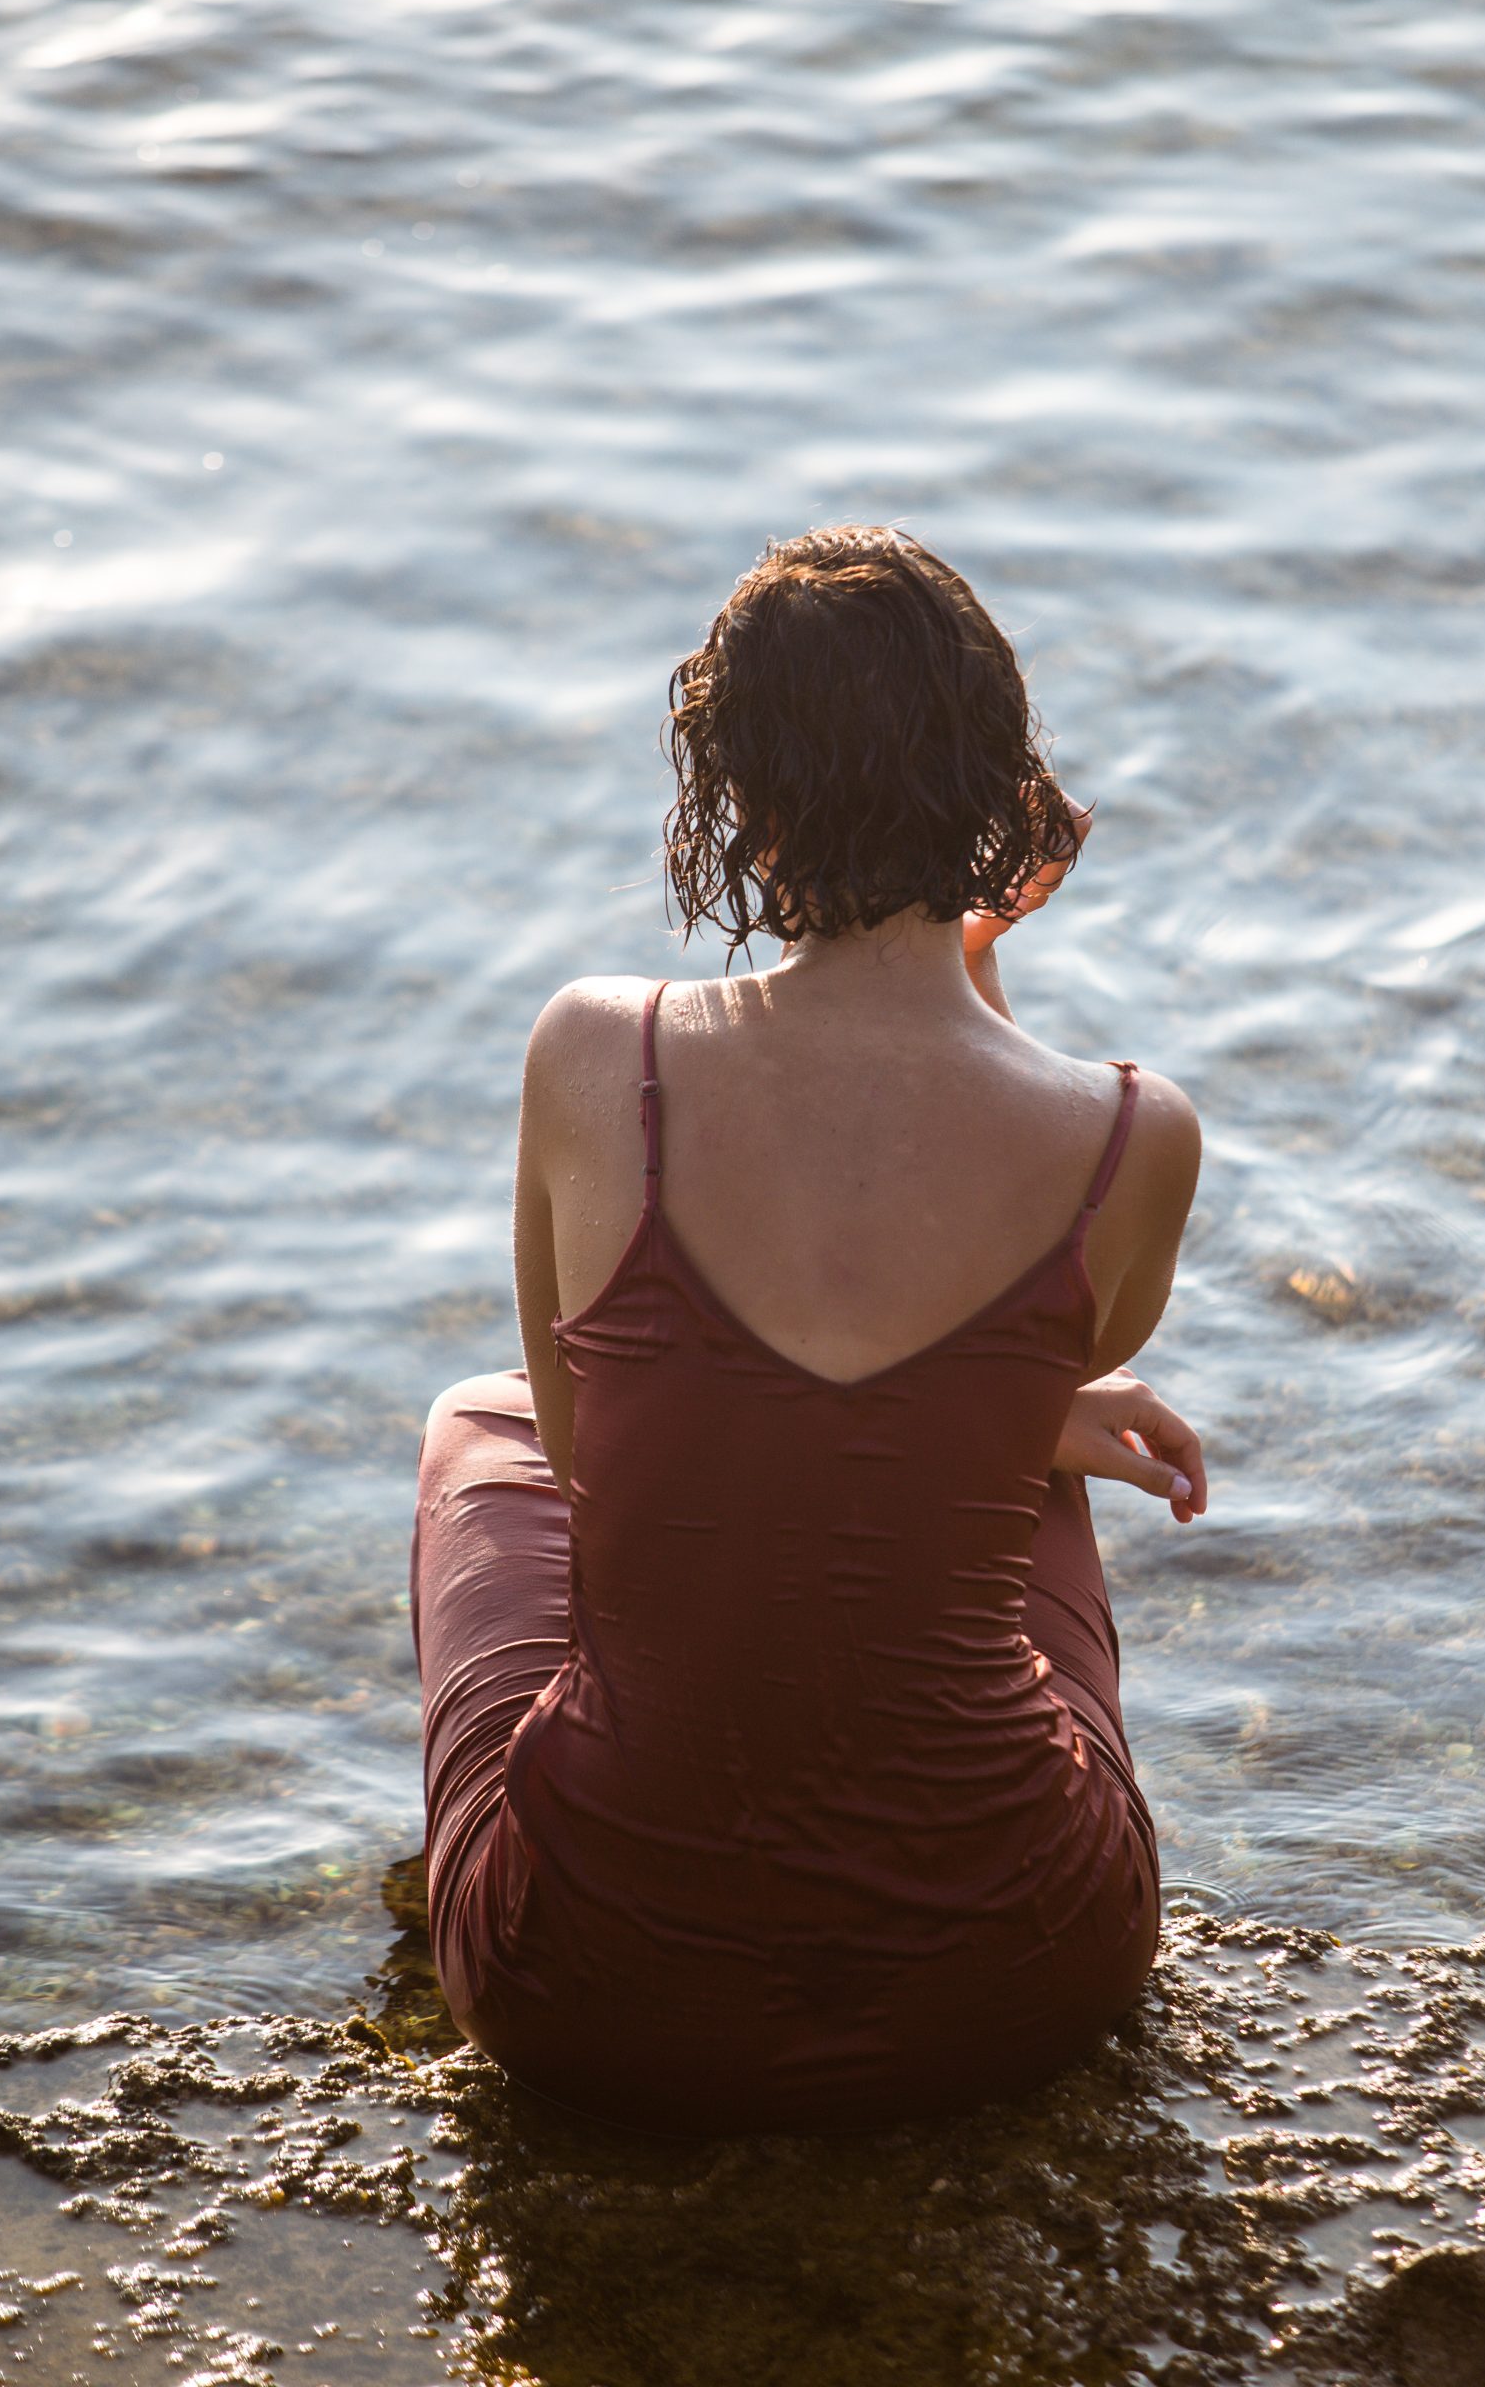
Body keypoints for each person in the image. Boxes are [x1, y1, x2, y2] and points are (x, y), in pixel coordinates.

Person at [411, 526, 1205, 2135]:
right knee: (1026, 1447)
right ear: (1002, 784)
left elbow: (591, 1458)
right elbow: (1033, 1355)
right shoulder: (1132, 1135)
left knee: (477, 1427)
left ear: (737, 796)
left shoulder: (592, 1050)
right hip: (1024, 1974)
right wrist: (972, 977)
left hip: (589, 1991)